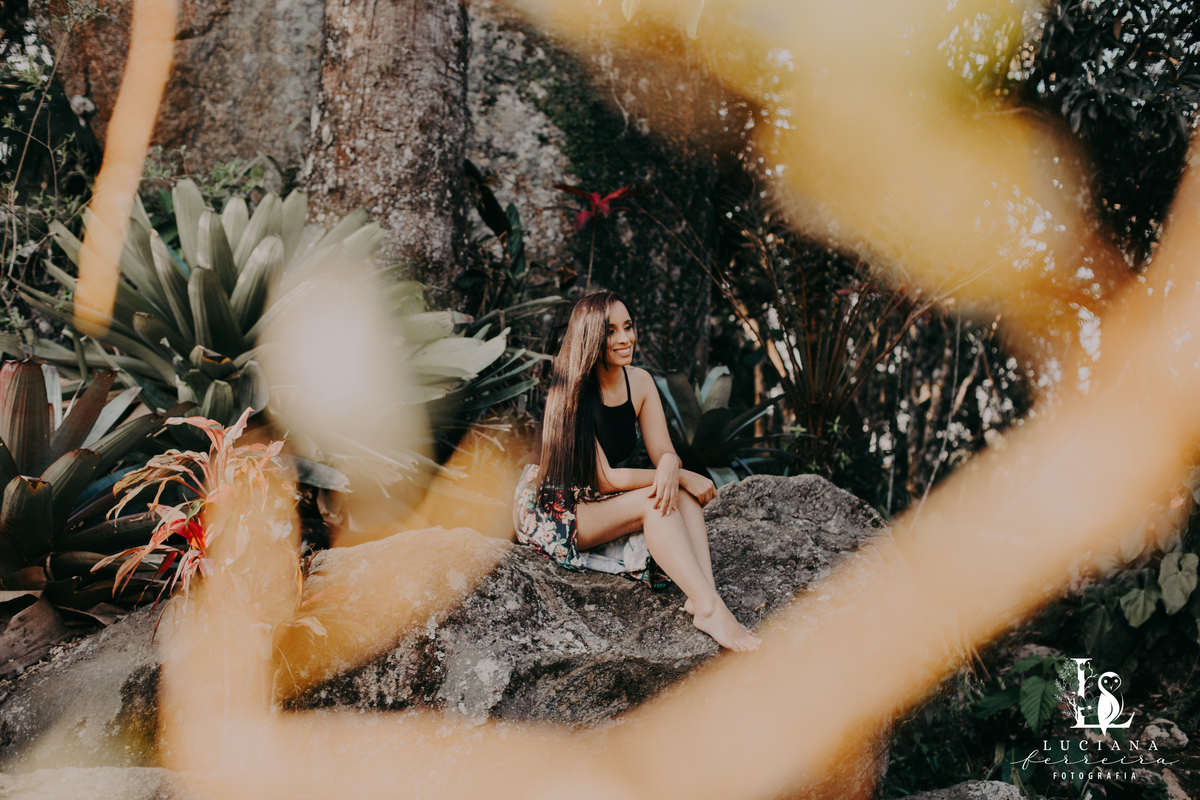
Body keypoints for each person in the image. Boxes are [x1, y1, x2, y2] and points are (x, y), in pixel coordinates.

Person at [514, 291, 761, 652]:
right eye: (611, 331)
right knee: (656, 502)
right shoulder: (574, 393)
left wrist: (672, 467)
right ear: (592, 338)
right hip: (553, 508)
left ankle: (704, 601)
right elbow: (605, 478)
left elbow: (663, 453)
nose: (625, 338)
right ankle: (711, 607)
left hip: (594, 499)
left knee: (679, 497)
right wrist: (678, 474)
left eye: (628, 327)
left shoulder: (640, 382)